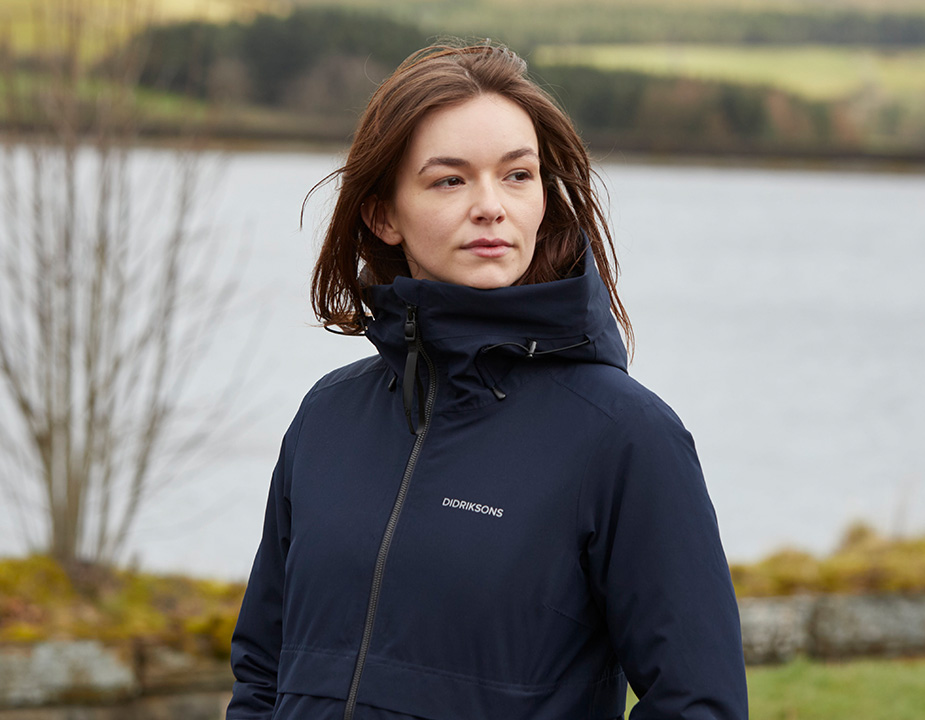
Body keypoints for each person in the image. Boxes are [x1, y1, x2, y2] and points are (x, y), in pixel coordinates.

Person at [227, 42, 748, 720]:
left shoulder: (624, 438)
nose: (491, 206)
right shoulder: (328, 417)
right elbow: (263, 671)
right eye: (450, 180)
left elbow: (697, 703)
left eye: (517, 175)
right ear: (383, 215)